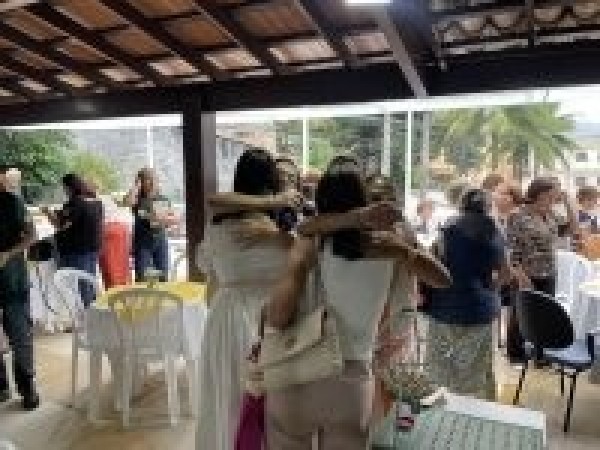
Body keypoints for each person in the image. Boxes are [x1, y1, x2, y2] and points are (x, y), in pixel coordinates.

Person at [264, 169, 449, 449]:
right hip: (352, 383)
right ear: (364, 201)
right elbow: (443, 280)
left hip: (297, 374)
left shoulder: (308, 243)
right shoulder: (387, 247)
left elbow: (277, 317)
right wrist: (405, 250)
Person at [195, 147, 296, 450]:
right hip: (272, 317)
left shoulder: (217, 225)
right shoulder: (280, 229)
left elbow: (209, 271)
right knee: (268, 403)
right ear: (272, 182)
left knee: (226, 398)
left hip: (226, 317)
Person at [423, 189, 509, 400]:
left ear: (461, 205)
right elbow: (505, 274)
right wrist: (491, 289)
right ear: (488, 207)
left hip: (444, 307)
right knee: (477, 371)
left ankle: (439, 410)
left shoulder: (447, 230)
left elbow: (432, 265)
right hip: (480, 310)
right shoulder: (496, 232)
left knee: (439, 368)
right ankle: (474, 412)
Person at [0, 165, 39, 410]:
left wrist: (8, 254)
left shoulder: (12, 203)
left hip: (12, 279)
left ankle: (27, 387)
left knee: (20, 335)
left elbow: (31, 235)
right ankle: (1, 386)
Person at [507, 177, 578, 296]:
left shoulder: (551, 214)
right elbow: (511, 249)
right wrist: (521, 277)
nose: (555, 200)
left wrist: (568, 203)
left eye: (556, 196)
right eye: (552, 196)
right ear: (540, 194)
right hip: (527, 275)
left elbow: (573, 229)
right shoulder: (517, 215)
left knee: (547, 307)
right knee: (526, 307)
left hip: (548, 273)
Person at [45, 174, 103, 307]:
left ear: (68, 188)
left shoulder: (76, 203)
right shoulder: (95, 201)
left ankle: (87, 314)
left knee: (81, 288)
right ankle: (94, 312)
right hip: (92, 249)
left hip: (76, 251)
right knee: (89, 283)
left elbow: (61, 225)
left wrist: (47, 213)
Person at [123, 168, 177, 282]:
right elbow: (127, 202)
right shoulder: (137, 199)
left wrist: (169, 220)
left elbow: (172, 219)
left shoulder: (162, 198)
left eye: (155, 178)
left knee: (163, 276)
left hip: (160, 240)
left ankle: (162, 293)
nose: (152, 182)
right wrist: (136, 187)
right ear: (141, 182)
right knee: (143, 277)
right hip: (143, 243)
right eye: (148, 179)